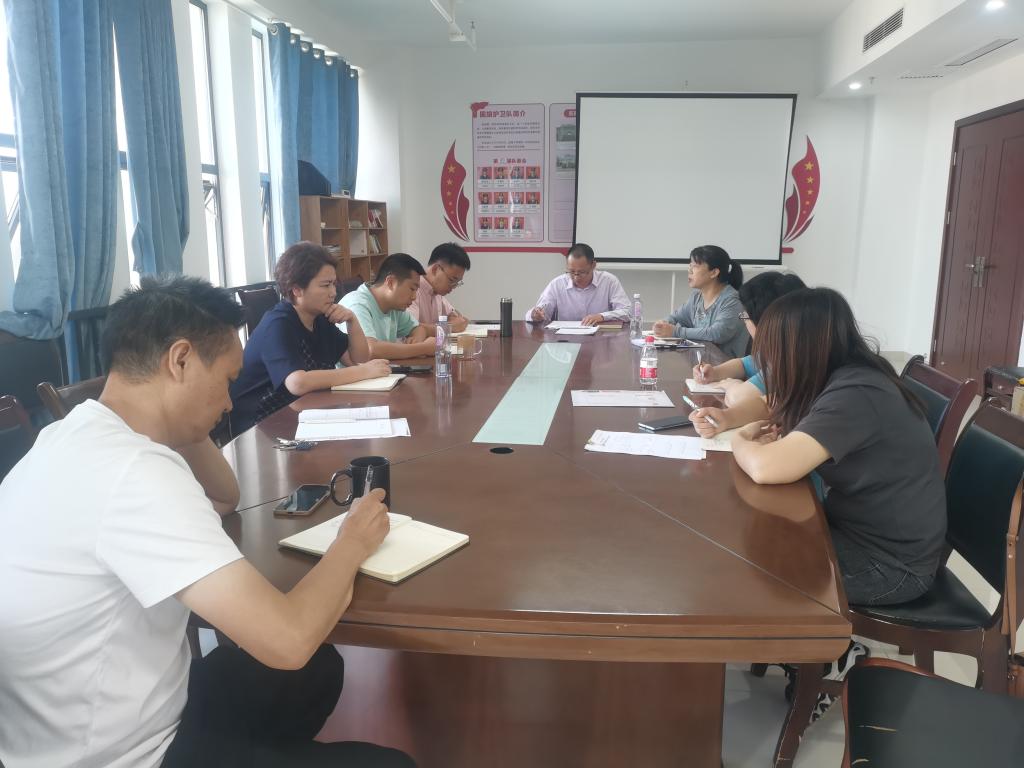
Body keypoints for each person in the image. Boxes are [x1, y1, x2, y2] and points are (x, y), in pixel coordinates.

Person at [0, 276, 413, 768]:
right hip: (123, 755)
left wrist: (180, 418)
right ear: (180, 360)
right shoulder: (134, 473)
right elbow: (289, 639)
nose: (229, 402)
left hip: (89, 719)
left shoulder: (74, 433)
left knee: (316, 670)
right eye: (226, 381)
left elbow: (223, 497)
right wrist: (352, 540)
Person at [730, 287, 946, 607]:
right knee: (756, 537)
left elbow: (766, 468)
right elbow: (778, 421)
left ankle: (799, 636)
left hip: (890, 566)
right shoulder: (847, 376)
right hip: (861, 535)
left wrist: (740, 440)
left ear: (798, 350)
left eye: (773, 351)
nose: (770, 362)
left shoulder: (857, 392)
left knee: (750, 567)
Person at [228, 242, 390, 436]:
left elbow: (358, 359)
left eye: (334, 284)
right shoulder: (278, 324)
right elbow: (298, 383)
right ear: (297, 289)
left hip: (300, 414)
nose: (333, 292)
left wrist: (352, 321)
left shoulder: (320, 317)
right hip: (260, 426)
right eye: (325, 285)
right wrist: (362, 372)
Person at [688, 271, 806, 436]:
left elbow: (740, 398)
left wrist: (730, 385)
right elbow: (745, 363)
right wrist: (715, 372)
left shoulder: (789, 359)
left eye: (745, 316)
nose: (745, 322)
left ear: (765, 322)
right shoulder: (781, 348)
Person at [652, 245, 749, 358]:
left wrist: (675, 331)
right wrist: (663, 324)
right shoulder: (696, 297)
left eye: (695, 266)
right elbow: (676, 317)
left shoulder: (732, 301)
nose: (689, 270)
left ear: (714, 272)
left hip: (725, 365)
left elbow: (717, 334)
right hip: (703, 361)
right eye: (690, 265)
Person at [340, 252, 436, 360]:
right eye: (412, 289)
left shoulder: (394, 305)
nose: (414, 297)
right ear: (390, 282)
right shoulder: (358, 304)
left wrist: (416, 340)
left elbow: (417, 328)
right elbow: (370, 349)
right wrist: (423, 348)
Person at [527, 243, 630, 325]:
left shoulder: (609, 281)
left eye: (581, 272)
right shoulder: (557, 284)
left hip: (600, 338)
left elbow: (628, 312)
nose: (576, 277)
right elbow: (540, 312)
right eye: (571, 272)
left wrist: (602, 316)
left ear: (593, 265)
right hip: (566, 340)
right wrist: (534, 315)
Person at [408, 242, 471, 334]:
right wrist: (448, 327)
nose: (454, 287)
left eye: (457, 283)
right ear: (435, 269)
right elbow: (410, 328)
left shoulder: (437, 292)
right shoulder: (412, 289)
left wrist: (453, 319)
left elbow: (455, 315)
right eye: (452, 280)